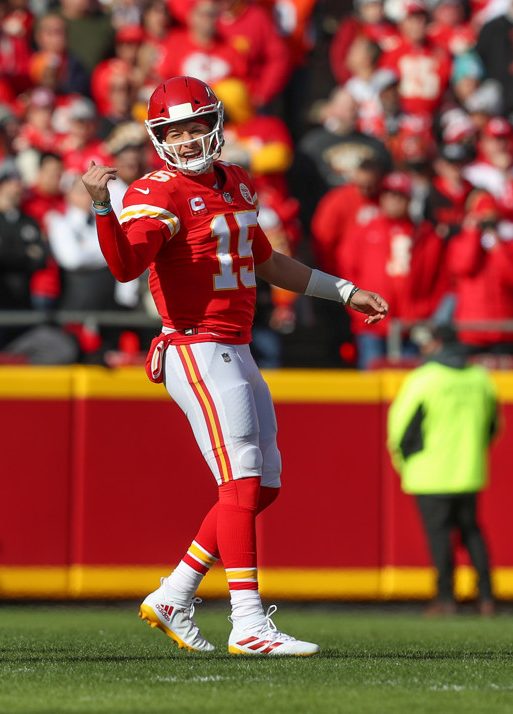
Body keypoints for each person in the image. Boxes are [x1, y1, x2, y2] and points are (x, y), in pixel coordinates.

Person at [81, 76, 389, 655]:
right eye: (175, 130)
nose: (188, 139)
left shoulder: (239, 182)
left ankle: (175, 593)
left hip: (236, 344)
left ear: (216, 125)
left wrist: (344, 291)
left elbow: (269, 263)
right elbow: (126, 267)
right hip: (195, 344)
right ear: (158, 137)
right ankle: (247, 621)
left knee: (263, 484)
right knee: (240, 480)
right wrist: (103, 205)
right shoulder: (156, 191)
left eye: (197, 126)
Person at [386, 325, 498, 617]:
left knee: (439, 537)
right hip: (469, 469)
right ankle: (486, 597)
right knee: (472, 532)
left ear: (435, 345)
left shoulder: (424, 379)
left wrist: (403, 463)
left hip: (429, 472)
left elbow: (400, 429)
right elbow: (494, 425)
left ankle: (446, 598)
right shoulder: (480, 377)